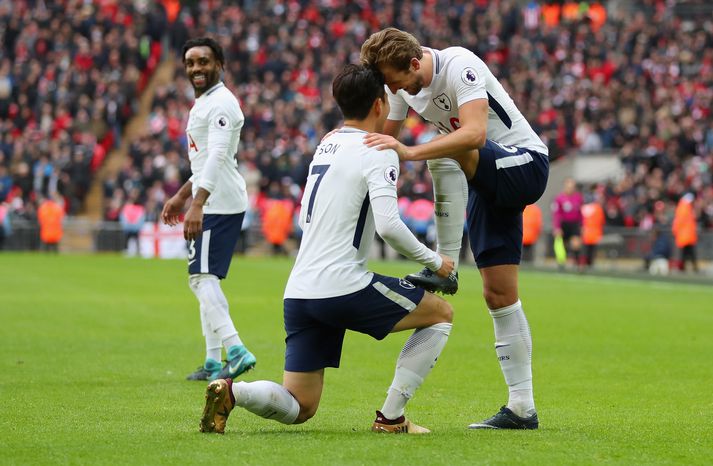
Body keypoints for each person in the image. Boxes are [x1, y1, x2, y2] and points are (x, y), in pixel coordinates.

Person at [199, 64, 454, 435]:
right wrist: (436, 262)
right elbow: (388, 226)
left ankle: (233, 392)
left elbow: (305, 217)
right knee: (440, 314)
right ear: (381, 104)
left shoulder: (326, 144)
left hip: (300, 292)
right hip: (344, 286)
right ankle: (391, 419)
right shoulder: (378, 149)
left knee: (300, 405)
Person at [361, 27, 548, 429]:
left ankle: (444, 264)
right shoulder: (399, 85)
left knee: (451, 144)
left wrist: (411, 152)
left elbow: (475, 133)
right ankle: (522, 408)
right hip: (487, 180)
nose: (393, 89)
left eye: (395, 80)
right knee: (498, 294)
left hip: (525, 164)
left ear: (414, 63)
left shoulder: (459, 64)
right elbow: (384, 141)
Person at [161, 37, 256, 382]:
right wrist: (182, 195)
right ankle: (214, 362)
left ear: (220, 64)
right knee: (205, 277)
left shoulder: (222, 104)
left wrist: (197, 203)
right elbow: (205, 160)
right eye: (190, 63)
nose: (196, 68)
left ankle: (237, 351)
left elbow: (217, 156)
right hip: (215, 196)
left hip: (218, 201)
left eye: (203, 61)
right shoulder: (206, 101)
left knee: (201, 278)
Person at [552, 178, 583, 269]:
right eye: (568, 186)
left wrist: (582, 225)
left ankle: (577, 265)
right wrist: (557, 227)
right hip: (564, 224)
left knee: (576, 244)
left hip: (574, 224)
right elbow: (556, 214)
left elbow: (581, 213)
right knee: (563, 245)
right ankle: (562, 264)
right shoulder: (559, 198)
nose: (570, 188)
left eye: (572, 186)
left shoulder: (578, 197)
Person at [671, 193, 698, 273]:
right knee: (688, 252)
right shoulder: (685, 208)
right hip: (686, 235)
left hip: (685, 235)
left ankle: (684, 267)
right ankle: (687, 267)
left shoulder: (682, 207)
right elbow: (680, 222)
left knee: (686, 252)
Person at [580, 192, 605, 269]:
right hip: (595, 234)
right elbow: (602, 221)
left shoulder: (582, 208)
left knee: (584, 252)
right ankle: (589, 266)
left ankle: (582, 265)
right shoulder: (598, 208)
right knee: (592, 253)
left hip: (584, 234)